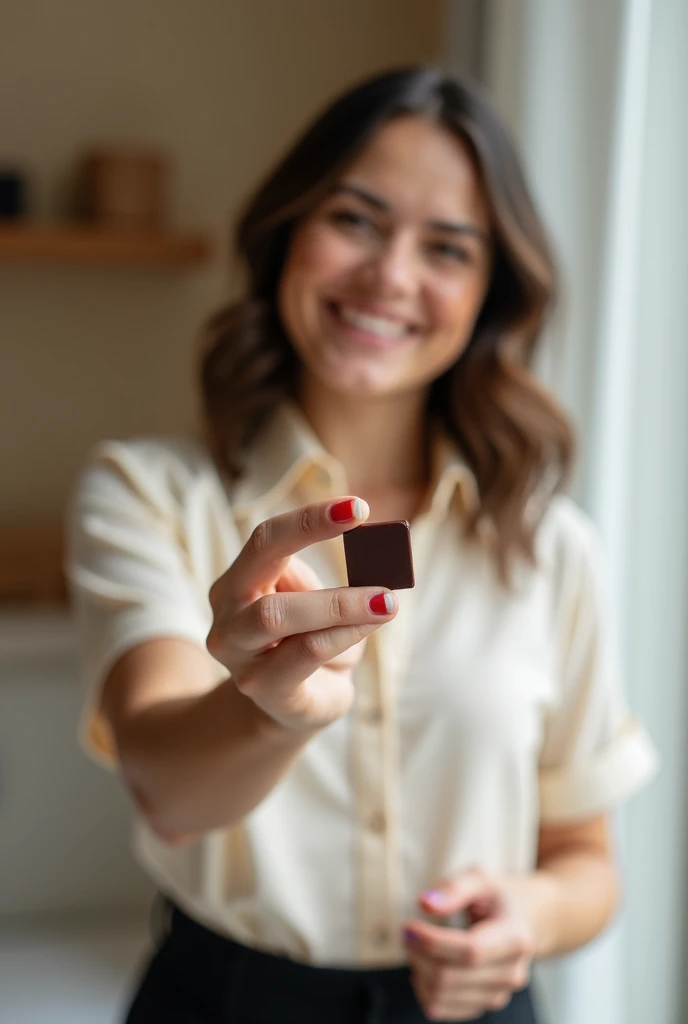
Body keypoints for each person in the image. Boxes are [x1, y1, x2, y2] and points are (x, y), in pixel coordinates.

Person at [66, 66, 657, 1024]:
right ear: (285, 235)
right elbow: (166, 789)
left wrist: (533, 916)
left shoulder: (551, 546)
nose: (390, 275)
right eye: (355, 219)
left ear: (488, 295)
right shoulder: (149, 494)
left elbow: (588, 861)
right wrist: (274, 709)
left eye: (449, 248)